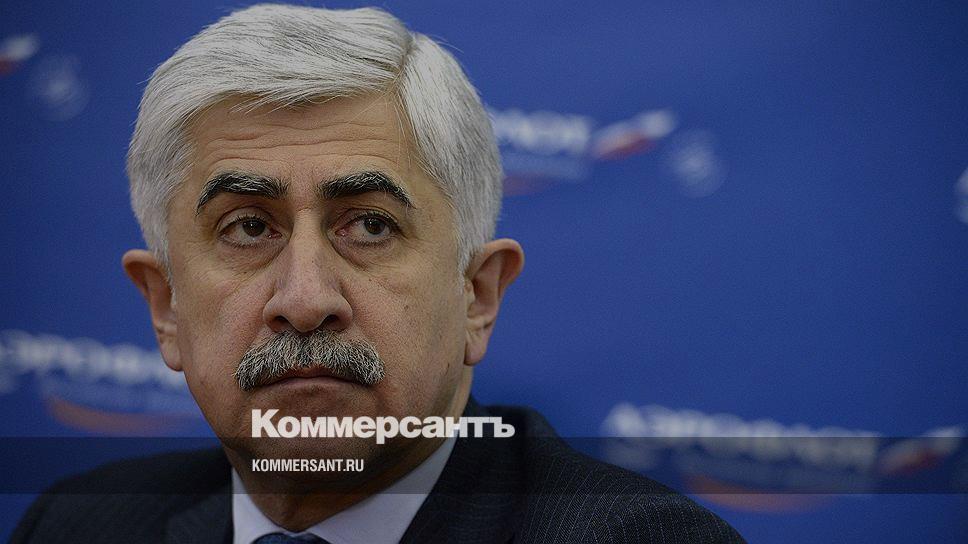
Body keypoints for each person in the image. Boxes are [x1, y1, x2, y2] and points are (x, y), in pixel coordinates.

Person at [12, 4, 744, 543]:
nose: (305, 300)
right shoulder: (80, 525)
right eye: (248, 228)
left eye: (369, 226)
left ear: (477, 295)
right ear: (165, 307)